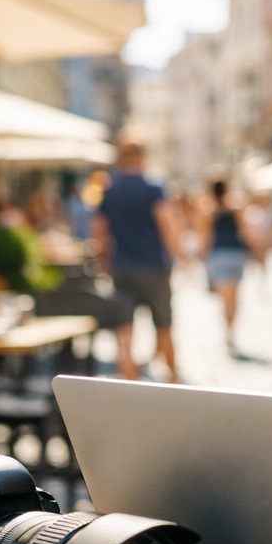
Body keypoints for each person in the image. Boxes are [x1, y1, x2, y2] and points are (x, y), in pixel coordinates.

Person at [92, 134, 180, 382]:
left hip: (122, 266)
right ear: (142, 157)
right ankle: (173, 381)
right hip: (154, 266)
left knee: (125, 332)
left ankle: (127, 383)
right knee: (164, 325)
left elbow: (99, 231)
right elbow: (166, 223)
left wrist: (103, 260)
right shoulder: (154, 187)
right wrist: (181, 256)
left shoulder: (109, 190)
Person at [200, 178, 253, 357]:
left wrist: (203, 258)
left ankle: (226, 331)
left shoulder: (208, 209)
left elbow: (206, 236)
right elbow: (244, 231)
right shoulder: (236, 206)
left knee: (225, 298)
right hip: (236, 253)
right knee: (234, 297)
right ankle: (230, 332)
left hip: (218, 255)